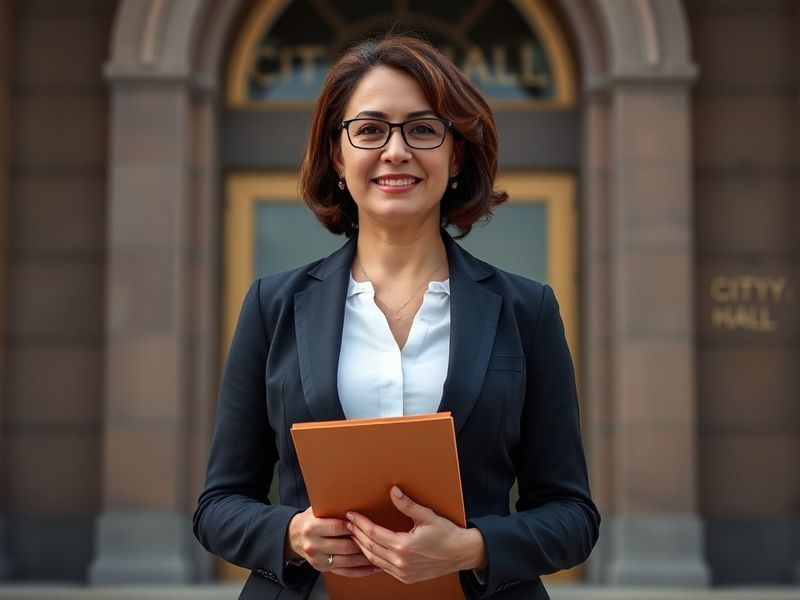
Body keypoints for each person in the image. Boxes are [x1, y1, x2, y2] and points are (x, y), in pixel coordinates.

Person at [193, 33, 599, 600]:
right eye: (370, 129)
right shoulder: (273, 306)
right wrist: (293, 534)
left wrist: (473, 547)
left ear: (455, 155)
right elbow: (217, 507)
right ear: (338, 156)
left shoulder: (526, 311)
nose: (396, 150)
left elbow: (573, 516)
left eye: (424, 129)